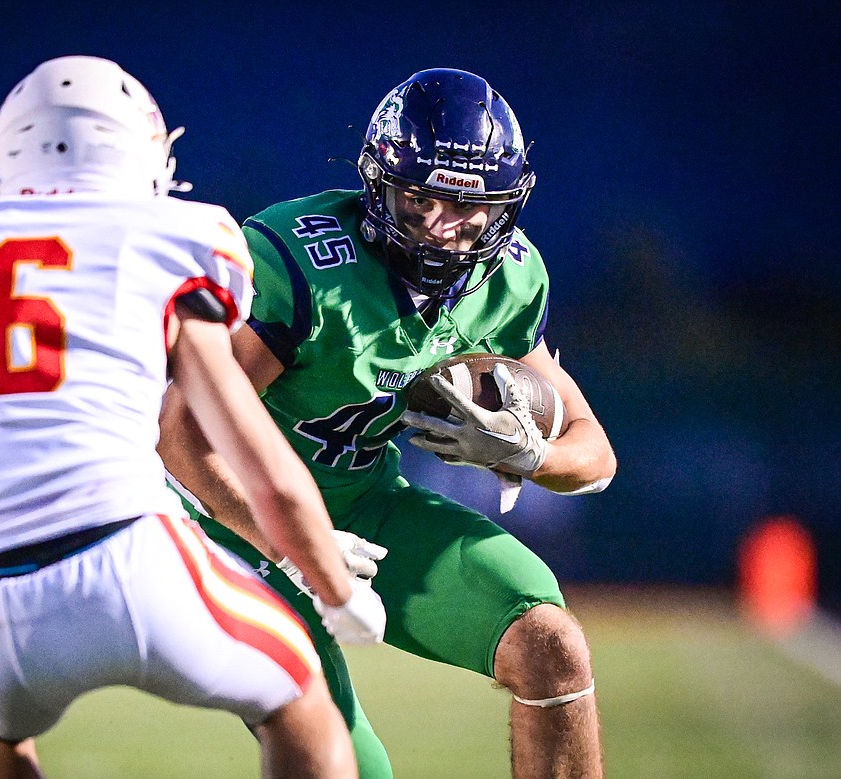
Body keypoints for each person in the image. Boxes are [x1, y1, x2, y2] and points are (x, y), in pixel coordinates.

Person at [0, 55, 387, 779]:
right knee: (300, 692)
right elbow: (260, 460)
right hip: (130, 557)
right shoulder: (171, 237)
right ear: (143, 150)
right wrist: (332, 586)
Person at [158, 68, 617, 778]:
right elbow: (181, 431)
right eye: (420, 199)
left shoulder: (511, 280)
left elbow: (593, 453)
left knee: (551, 645)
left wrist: (527, 453)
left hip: (365, 504)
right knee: (350, 765)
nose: (444, 227)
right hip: (230, 525)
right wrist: (288, 539)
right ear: (378, 184)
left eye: (470, 208)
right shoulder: (302, 261)